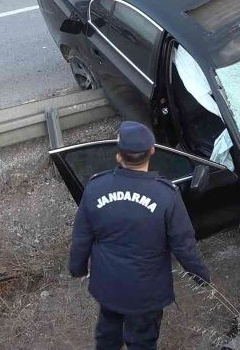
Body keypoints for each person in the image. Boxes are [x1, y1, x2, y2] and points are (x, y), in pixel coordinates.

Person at [69, 121, 211, 350]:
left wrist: (78, 269)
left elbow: (81, 236)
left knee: (107, 333)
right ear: (152, 151)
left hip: (109, 284)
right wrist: (200, 275)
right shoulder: (167, 195)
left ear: (118, 156)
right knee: (142, 341)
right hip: (147, 293)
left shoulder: (95, 187)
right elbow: (184, 244)